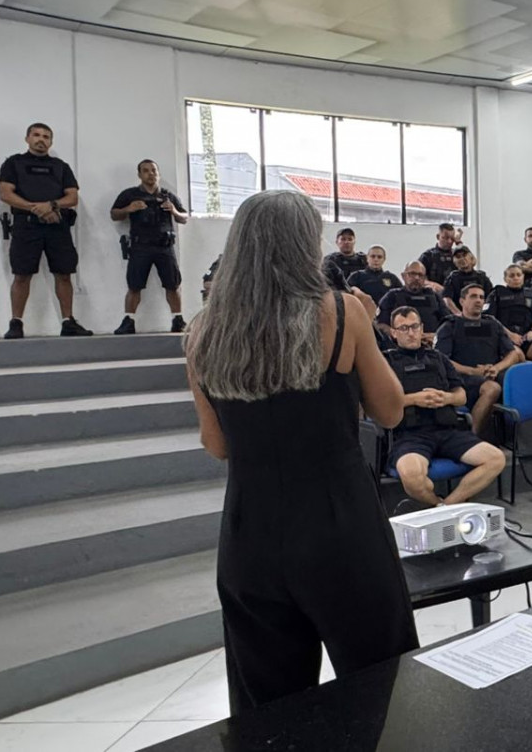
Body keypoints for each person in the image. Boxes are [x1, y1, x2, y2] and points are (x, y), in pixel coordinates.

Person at [184, 189, 414, 713]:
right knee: (381, 685)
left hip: (250, 531)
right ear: (305, 245)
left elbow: (216, 445)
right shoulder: (343, 311)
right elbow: (391, 411)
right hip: (340, 523)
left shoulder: (202, 332)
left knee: (268, 708)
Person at [384, 307, 507, 507]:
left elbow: (461, 397)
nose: (411, 333)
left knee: (496, 459)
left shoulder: (438, 358)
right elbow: (377, 404)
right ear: (394, 333)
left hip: (447, 431)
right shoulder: (385, 362)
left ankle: (446, 507)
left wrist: (446, 398)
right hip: (410, 435)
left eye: (415, 327)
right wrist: (414, 399)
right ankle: (439, 506)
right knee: (412, 477)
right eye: (404, 328)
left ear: (422, 328)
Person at [0, 122, 91, 338]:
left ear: (51, 142)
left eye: (46, 136)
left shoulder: (61, 166)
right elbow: (6, 194)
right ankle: (16, 323)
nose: (41, 139)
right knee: (22, 275)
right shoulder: (14, 163)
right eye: (36, 135)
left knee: (64, 274)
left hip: (57, 226)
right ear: (27, 139)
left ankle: (68, 322)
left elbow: (72, 197)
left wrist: (51, 205)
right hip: (26, 226)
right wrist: (37, 209)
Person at [110, 158, 188, 334]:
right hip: (140, 246)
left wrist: (173, 210)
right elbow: (114, 214)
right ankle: (129, 321)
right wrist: (129, 209)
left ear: (158, 174)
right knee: (134, 285)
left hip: (164, 246)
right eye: (146, 171)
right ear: (139, 175)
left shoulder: (168, 196)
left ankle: (178, 319)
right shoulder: (130, 195)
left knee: (173, 285)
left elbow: (184, 218)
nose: (150, 174)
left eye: (154, 170)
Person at [435, 284, 523, 436]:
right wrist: (473, 371)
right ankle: (471, 438)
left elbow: (512, 354)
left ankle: (518, 436)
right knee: (492, 388)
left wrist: (496, 368)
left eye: (482, 297)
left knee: (520, 381)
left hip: (492, 373)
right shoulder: (449, 326)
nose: (478, 301)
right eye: (473, 296)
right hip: (462, 377)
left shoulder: (493, 324)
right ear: (462, 301)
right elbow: (442, 360)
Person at [376, 262, 451, 338]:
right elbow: (381, 325)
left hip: (431, 341)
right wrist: (403, 337)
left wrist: (434, 336)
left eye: (420, 275)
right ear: (403, 276)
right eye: (412, 274)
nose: (417, 278)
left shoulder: (434, 296)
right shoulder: (392, 296)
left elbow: (448, 322)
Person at [486, 265, 532, 351]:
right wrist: (510, 335)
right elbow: (489, 318)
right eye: (512, 276)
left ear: (523, 277)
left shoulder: (531, 295)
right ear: (505, 279)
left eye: (518, 275)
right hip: (503, 337)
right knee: (516, 353)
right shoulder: (496, 294)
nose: (516, 278)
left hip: (527, 337)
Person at [441, 246, 493, 313]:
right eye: (458, 257)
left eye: (464, 255)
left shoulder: (482, 277)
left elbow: (490, 297)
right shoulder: (452, 278)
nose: (462, 259)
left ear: (471, 257)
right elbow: (447, 299)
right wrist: (459, 314)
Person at [417, 222, 459, 292]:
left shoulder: (457, 255)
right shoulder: (428, 256)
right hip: (434, 293)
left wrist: (459, 243)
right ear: (438, 237)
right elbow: (418, 278)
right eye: (445, 238)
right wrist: (433, 285)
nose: (449, 241)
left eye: (452, 239)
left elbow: (469, 265)